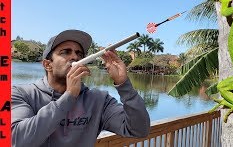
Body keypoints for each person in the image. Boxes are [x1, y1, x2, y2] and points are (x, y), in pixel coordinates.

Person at [11, 29, 150, 147]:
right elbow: (16, 140)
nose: (74, 57)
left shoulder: (99, 100)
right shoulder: (20, 94)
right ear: (48, 65)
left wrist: (123, 84)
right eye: (65, 52)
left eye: (79, 54)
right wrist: (69, 97)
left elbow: (139, 130)